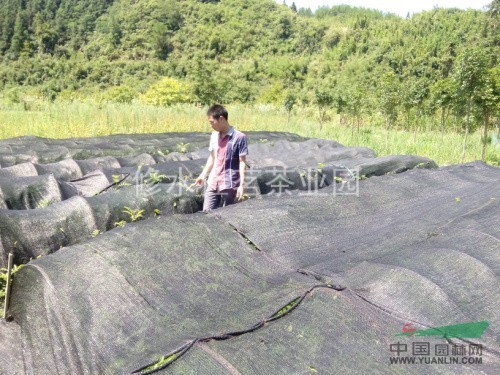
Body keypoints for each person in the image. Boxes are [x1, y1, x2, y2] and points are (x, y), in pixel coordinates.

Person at [195, 104, 248, 211]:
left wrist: (241, 185)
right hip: (213, 181)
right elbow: (212, 158)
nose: (211, 125)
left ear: (221, 119)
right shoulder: (214, 135)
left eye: (212, 122)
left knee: (226, 215)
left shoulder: (240, 137)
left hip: (229, 184)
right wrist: (203, 175)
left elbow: (242, 163)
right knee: (207, 212)